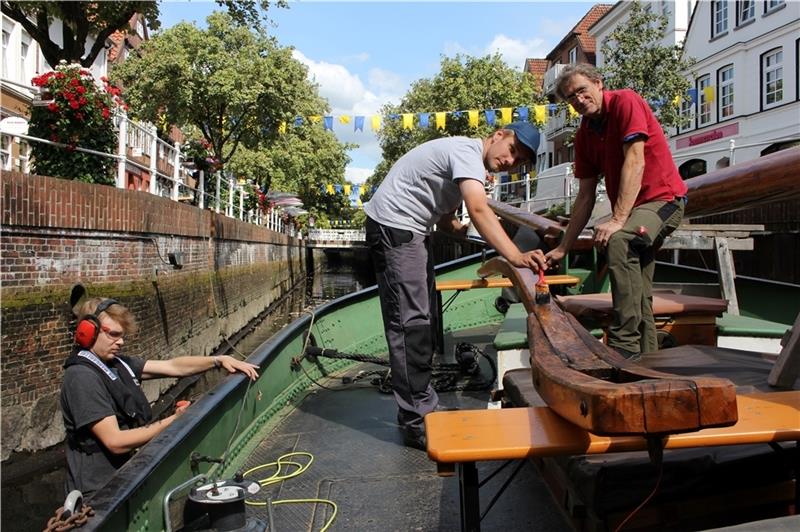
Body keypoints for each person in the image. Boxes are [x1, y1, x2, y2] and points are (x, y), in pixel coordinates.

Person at [364, 122, 547, 449]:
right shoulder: (467, 153)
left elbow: (448, 218)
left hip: (411, 231)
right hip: (396, 229)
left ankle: (421, 406)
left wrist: (464, 232)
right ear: (498, 135)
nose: (510, 161)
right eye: (512, 151)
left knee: (423, 320)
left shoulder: (463, 158)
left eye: (518, 162)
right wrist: (515, 256)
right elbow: (477, 208)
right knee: (411, 325)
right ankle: (415, 420)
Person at [544, 63, 688, 360]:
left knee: (620, 239)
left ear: (599, 83)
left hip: (664, 201)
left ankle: (623, 345)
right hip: (635, 211)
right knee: (639, 293)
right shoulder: (584, 134)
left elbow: (635, 161)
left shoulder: (625, 101)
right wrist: (563, 247)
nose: (579, 101)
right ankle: (650, 363)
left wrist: (617, 219)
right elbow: (584, 196)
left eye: (582, 91)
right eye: (572, 99)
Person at [60, 297, 259, 497]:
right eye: (113, 334)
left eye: (122, 335)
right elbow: (115, 441)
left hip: (125, 476)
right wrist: (174, 420)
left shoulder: (117, 364)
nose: (120, 341)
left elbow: (173, 366)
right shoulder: (81, 377)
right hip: (98, 492)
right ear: (88, 331)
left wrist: (218, 360)